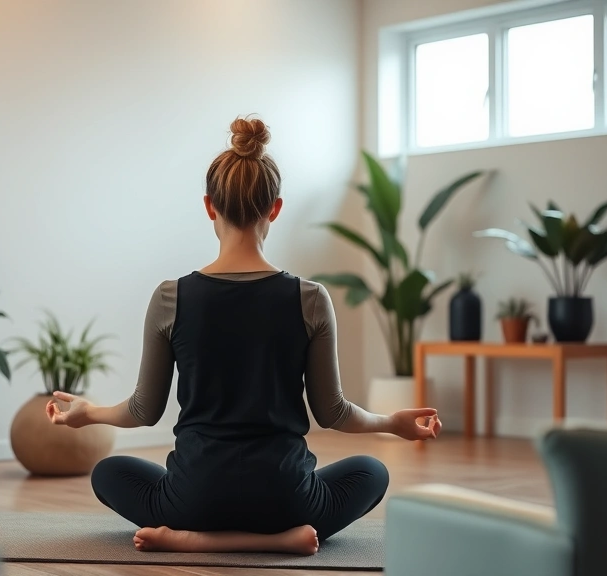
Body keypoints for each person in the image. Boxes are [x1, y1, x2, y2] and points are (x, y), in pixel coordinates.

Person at [45, 116, 443, 556]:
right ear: (275, 208)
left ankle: (191, 539)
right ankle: (279, 540)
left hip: (192, 501)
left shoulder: (169, 297)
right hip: (288, 502)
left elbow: (144, 410)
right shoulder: (310, 298)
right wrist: (391, 424)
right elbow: (332, 413)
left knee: (109, 472)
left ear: (209, 206)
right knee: (372, 472)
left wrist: (88, 412)